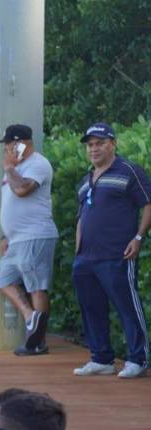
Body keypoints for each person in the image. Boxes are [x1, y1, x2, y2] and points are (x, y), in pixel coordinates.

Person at [71, 122, 151, 379]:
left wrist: (138, 237)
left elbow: (148, 204)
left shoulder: (128, 170)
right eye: (90, 145)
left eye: (100, 143)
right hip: (86, 258)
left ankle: (138, 359)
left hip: (118, 254)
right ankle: (101, 359)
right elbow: (82, 217)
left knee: (128, 307)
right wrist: (78, 250)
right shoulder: (86, 180)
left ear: (112, 144)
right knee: (91, 307)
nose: (94, 149)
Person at [0, 123, 59, 356]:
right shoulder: (14, 167)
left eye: (10, 145)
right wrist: (5, 235)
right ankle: (31, 316)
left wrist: (10, 168)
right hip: (15, 239)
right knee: (3, 280)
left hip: (35, 234)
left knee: (37, 286)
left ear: (21, 143)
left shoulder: (38, 164)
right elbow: (9, 203)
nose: (6, 150)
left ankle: (38, 343)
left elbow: (22, 190)